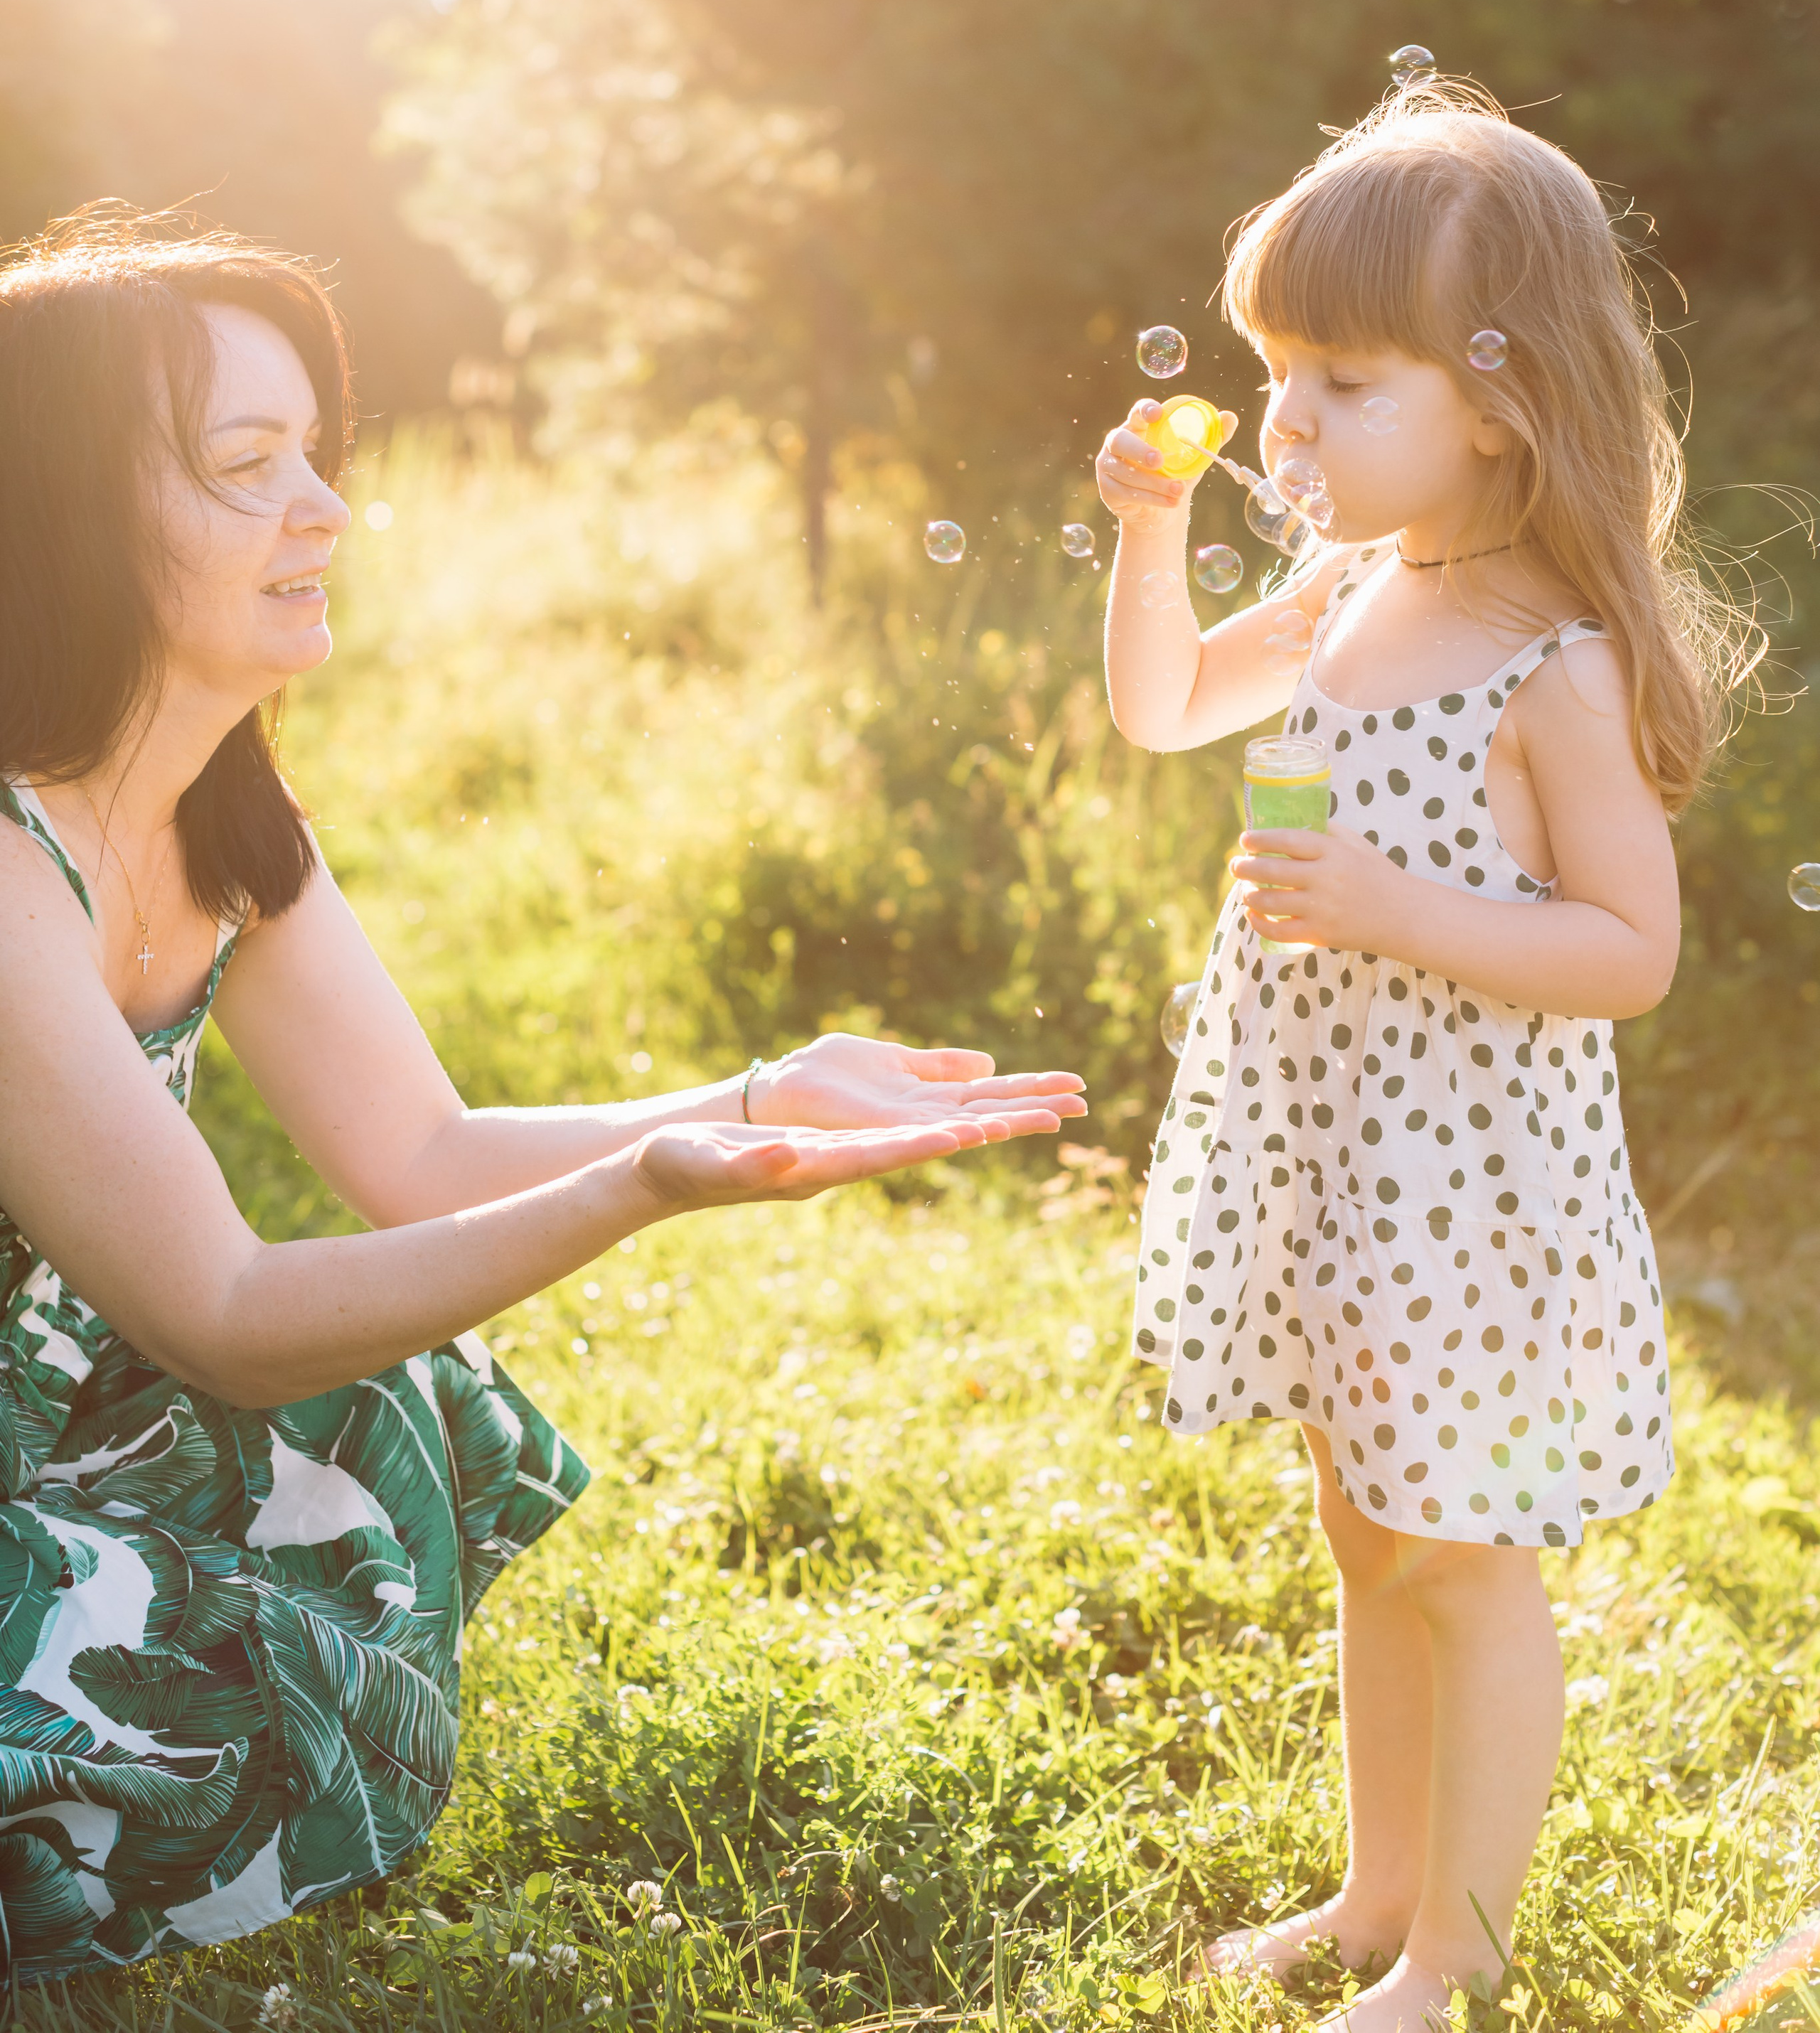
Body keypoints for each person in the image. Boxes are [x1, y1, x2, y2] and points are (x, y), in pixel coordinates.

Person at [0, 208, 1085, 1990]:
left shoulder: (227, 822)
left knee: (404, 1400)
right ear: (67, 517)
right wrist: (644, 1187)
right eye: (245, 465)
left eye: (317, 457)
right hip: (100, 1381)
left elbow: (419, 1155)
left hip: (63, 1403)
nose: (326, 510)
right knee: (201, 1600)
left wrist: (754, 1091)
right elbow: (229, 1313)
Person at [1096, 87, 1748, 2032]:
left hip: (1473, 1191)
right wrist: (1148, 540)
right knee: (1362, 1521)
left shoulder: (1558, 659)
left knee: (1464, 1555)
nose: (1284, 422)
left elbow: (1629, 950)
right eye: (1277, 371)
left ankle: (1458, 1958)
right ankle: (1380, 1892)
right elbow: (1160, 707)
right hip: (1334, 1156)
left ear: (1503, 397)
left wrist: (1395, 903)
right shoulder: (1352, 593)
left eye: (1342, 381)